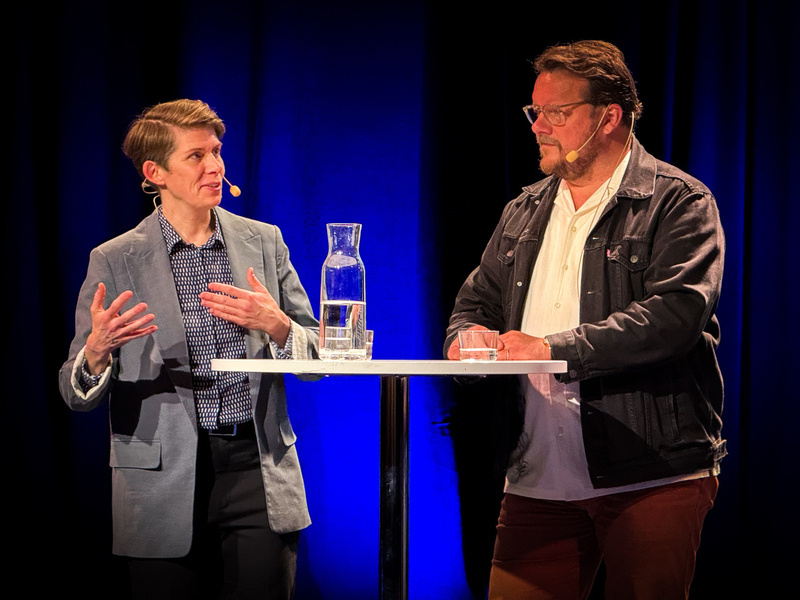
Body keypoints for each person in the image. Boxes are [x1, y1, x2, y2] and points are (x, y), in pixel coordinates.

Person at [445, 41, 725, 600]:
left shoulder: (676, 201)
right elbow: (474, 303)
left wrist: (550, 348)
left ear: (608, 117)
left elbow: (675, 315)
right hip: (537, 476)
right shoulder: (524, 209)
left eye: (556, 112)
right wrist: (466, 339)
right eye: (534, 111)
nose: (538, 126)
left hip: (650, 473)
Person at [59, 99, 319, 599]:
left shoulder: (264, 242)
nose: (215, 166)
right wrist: (95, 355)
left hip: (256, 471)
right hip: (161, 480)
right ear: (155, 172)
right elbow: (76, 392)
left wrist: (279, 326)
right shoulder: (115, 259)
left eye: (217, 151)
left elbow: (319, 362)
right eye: (196, 156)